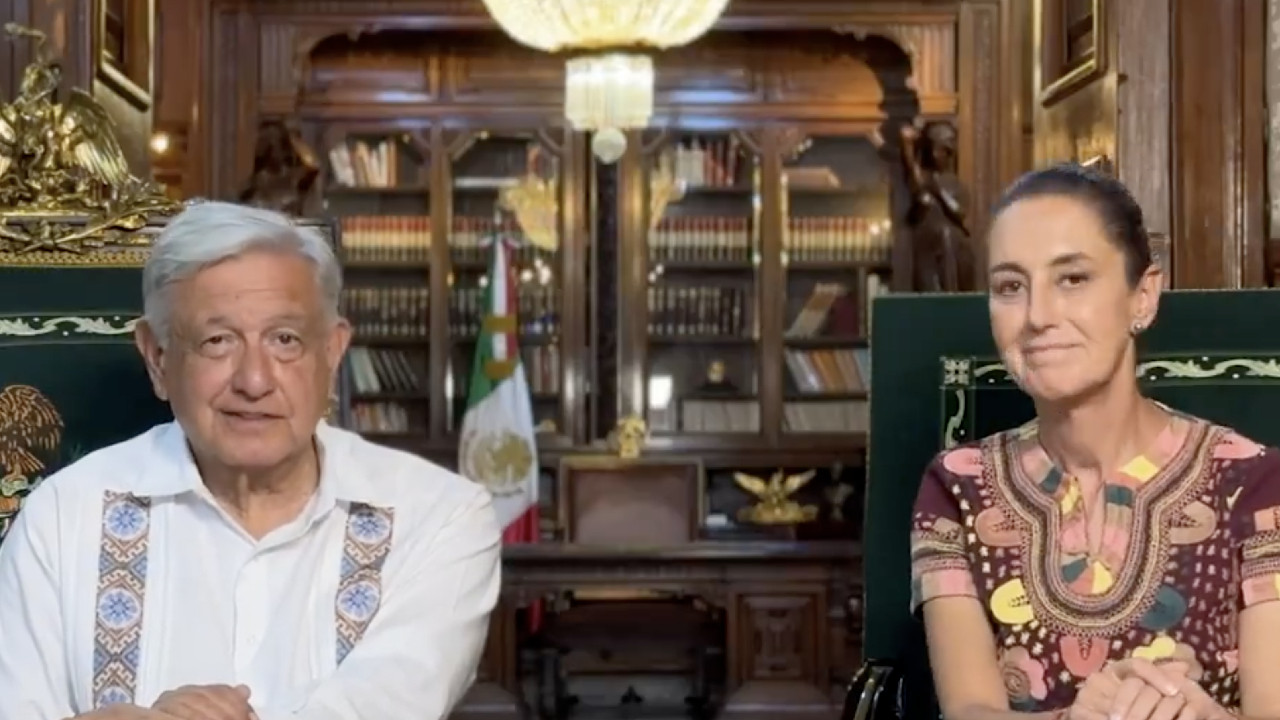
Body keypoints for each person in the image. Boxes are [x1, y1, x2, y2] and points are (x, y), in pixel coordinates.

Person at [0, 201, 502, 719]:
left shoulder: (438, 517)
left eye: (285, 340)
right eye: (217, 341)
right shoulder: (61, 518)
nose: (254, 381)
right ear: (158, 358)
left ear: (332, 352)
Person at [909, 165, 1280, 720]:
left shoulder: (1255, 482)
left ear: (1143, 296)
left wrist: (1201, 717)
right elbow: (969, 710)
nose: (1037, 317)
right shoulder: (957, 487)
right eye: (1010, 286)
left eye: (1073, 279)